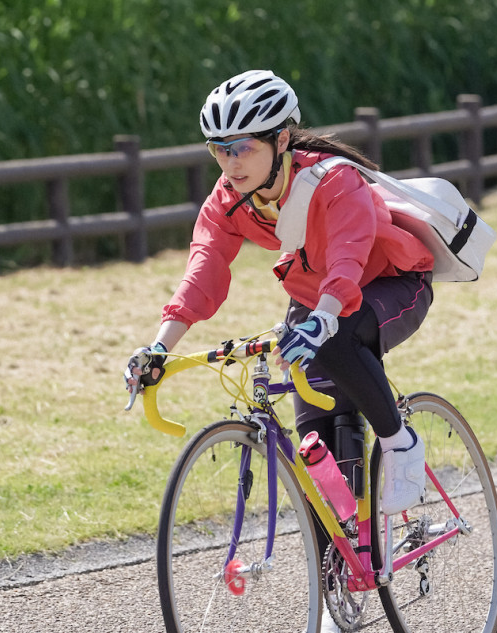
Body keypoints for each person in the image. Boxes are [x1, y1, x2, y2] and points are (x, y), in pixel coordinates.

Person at [125, 68, 432, 524]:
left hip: (391, 282)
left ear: (283, 139)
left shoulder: (334, 180)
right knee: (314, 447)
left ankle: (400, 445)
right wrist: (159, 347)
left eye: (244, 147)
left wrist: (322, 320)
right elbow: (204, 268)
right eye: (220, 150)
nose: (232, 163)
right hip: (317, 300)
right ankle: (337, 570)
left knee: (332, 339)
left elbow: (347, 262)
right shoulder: (228, 198)